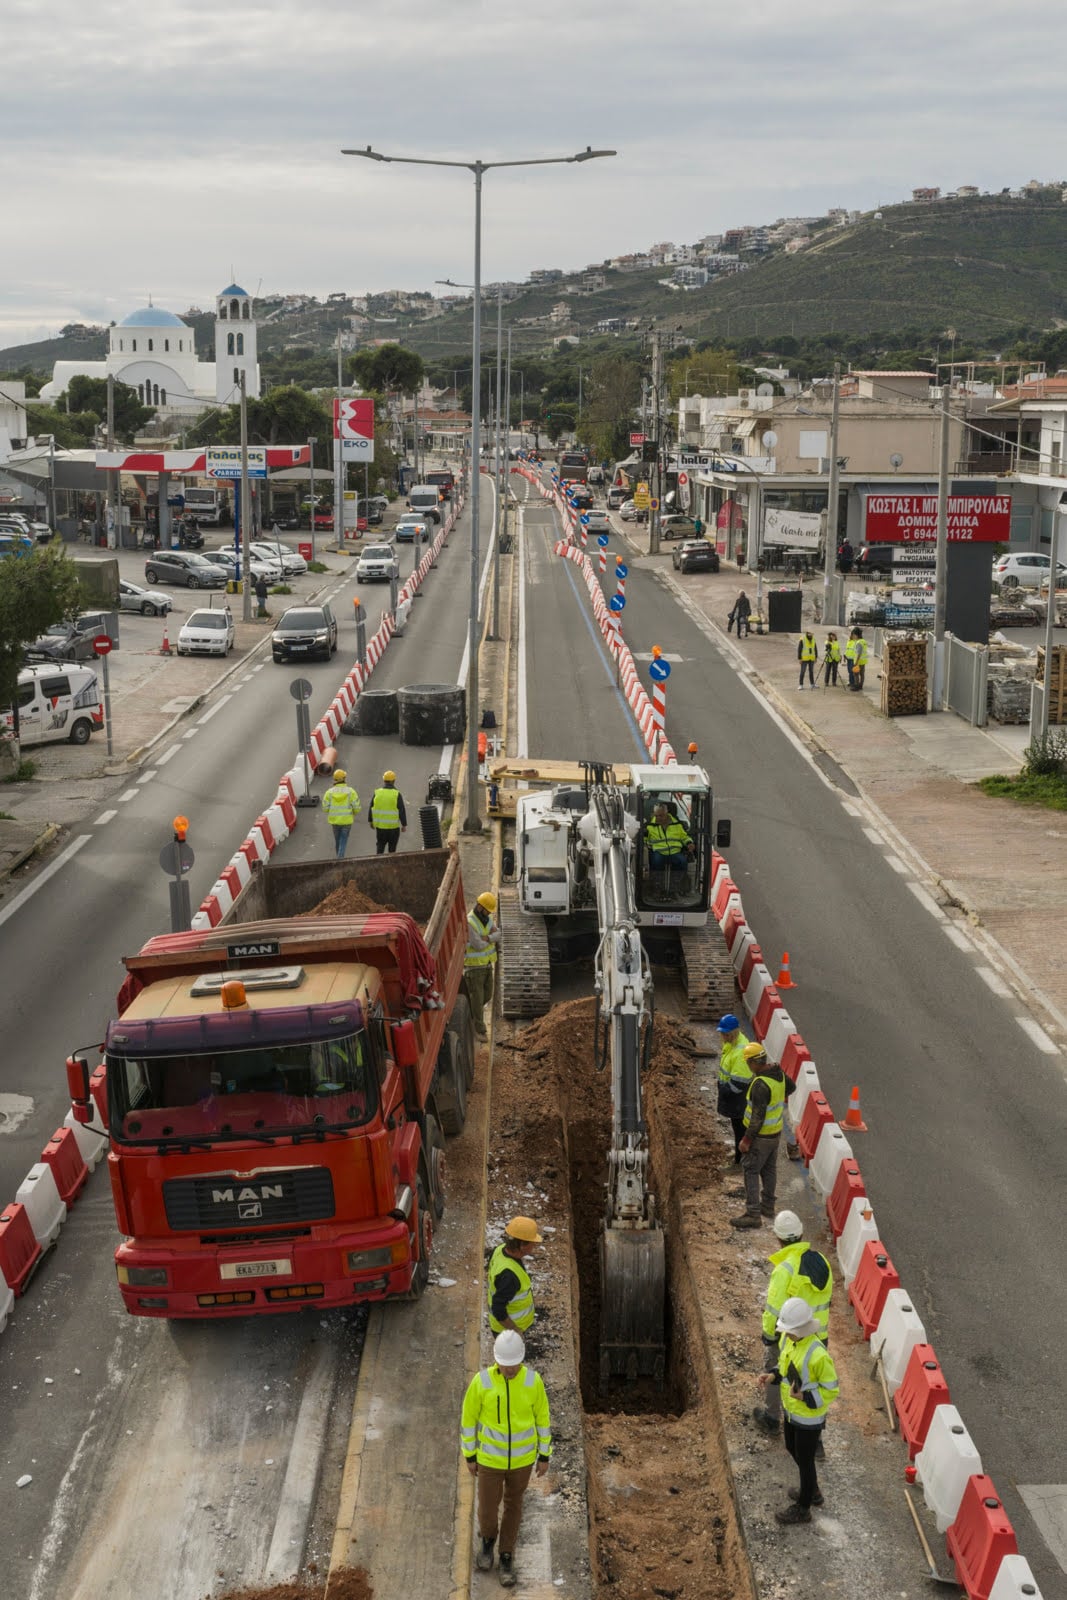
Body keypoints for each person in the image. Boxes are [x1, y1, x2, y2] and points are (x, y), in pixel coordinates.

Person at [462, 1330, 552, 1586]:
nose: (510, 1369)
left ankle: (506, 1554)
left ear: (521, 1360)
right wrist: (470, 1454)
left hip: (522, 1463)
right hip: (490, 1460)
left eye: (514, 1365)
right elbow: (468, 1421)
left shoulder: (533, 1382)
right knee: (488, 1508)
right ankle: (488, 1541)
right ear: (497, 1360)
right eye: (506, 1364)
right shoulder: (482, 1383)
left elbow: (543, 1420)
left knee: (514, 1506)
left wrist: (544, 1455)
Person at [759, 1297, 839, 1524]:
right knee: (791, 1447)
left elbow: (832, 1390)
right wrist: (772, 1375)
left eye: (790, 1330)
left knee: (805, 1460)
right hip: (792, 1412)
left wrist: (805, 1397)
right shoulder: (790, 1341)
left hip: (809, 1418)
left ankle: (804, 1507)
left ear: (803, 1328)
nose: (786, 1333)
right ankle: (811, 1490)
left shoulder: (818, 1355)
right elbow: (784, 1367)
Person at [752, 1212, 833, 1435]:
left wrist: (770, 1335)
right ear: (801, 1234)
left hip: (791, 1336)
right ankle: (816, 1436)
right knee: (814, 1380)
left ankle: (771, 1418)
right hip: (818, 1335)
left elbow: (773, 1310)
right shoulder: (822, 1262)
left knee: (775, 1371)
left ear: (778, 1239)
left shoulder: (785, 1270)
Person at [729, 1042, 786, 1229]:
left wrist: (746, 1140)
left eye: (748, 1063)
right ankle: (768, 1206)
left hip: (760, 1138)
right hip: (775, 1135)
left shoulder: (760, 1085)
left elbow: (757, 1117)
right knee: (769, 1170)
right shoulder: (778, 1075)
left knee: (751, 1170)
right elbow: (790, 1090)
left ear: (753, 1062)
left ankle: (753, 1214)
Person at [487, 1216, 542, 1337]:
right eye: (532, 1243)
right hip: (506, 1332)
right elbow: (498, 1308)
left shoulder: (500, 1249)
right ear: (522, 1245)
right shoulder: (509, 1276)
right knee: (511, 1355)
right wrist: (515, 1330)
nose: (534, 1245)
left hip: (507, 1328)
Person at [716, 1013, 753, 1168]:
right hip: (732, 1097)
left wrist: (724, 1089)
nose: (722, 1036)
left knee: (740, 1131)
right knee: (737, 1129)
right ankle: (739, 1156)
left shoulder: (740, 1051)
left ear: (731, 1033)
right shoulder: (732, 1043)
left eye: (724, 1034)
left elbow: (739, 1084)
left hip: (738, 1099)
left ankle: (739, 1162)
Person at [464, 892, 500, 1039]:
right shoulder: (470, 921)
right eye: (487, 910)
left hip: (486, 965)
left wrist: (488, 937)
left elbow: (499, 935)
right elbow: (477, 945)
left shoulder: (488, 919)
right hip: (474, 968)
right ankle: (480, 1031)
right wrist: (491, 938)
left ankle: (473, 1013)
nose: (489, 913)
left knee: (487, 995)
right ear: (480, 907)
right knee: (478, 1000)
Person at [645, 802, 695, 886]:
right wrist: (644, 844)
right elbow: (644, 839)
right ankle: (657, 886)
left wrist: (689, 843)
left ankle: (676, 885)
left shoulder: (677, 824)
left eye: (661, 815)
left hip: (674, 852)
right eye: (656, 816)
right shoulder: (650, 826)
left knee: (682, 861)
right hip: (658, 852)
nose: (658, 818)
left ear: (667, 814)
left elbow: (684, 837)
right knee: (656, 862)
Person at [320, 769, 361, 859]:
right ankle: (340, 859)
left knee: (338, 841)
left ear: (335, 779)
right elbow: (357, 807)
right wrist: (354, 812)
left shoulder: (329, 792)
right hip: (346, 821)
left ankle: (339, 858)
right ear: (344, 778)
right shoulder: (351, 792)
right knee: (343, 840)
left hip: (334, 821)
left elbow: (325, 808)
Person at [369, 769, 407, 854]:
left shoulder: (377, 792)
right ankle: (390, 865)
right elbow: (401, 810)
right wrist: (404, 824)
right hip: (393, 828)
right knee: (392, 850)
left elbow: (371, 807)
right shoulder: (396, 794)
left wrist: (371, 821)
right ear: (394, 781)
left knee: (380, 847)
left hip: (381, 828)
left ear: (384, 780)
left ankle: (379, 864)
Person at [849, 627, 868, 691]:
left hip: (859, 661)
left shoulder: (859, 642)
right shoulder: (864, 641)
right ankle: (860, 685)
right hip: (863, 661)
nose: (853, 636)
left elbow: (858, 653)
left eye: (853, 635)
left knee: (856, 674)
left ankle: (856, 686)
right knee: (862, 674)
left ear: (856, 635)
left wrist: (856, 662)